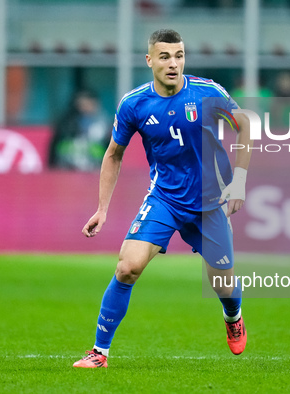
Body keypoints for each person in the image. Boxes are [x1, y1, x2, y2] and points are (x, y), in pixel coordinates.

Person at [73, 29, 251, 368]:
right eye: (166, 56)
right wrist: (102, 208)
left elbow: (245, 125)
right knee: (128, 267)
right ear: (150, 60)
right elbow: (114, 154)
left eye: (180, 56)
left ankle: (233, 316)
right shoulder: (134, 104)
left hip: (210, 203)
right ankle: (100, 352)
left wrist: (239, 180)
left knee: (223, 283)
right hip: (165, 199)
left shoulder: (207, 92)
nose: (174, 63)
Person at [48, 89, 111, 171]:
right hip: (68, 169)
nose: (84, 106)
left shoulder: (104, 123)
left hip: (94, 170)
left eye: (87, 102)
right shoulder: (66, 121)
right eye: (81, 103)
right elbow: (55, 146)